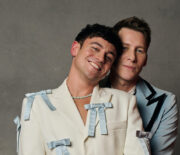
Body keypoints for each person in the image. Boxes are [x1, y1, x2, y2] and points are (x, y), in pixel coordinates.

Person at [14, 24, 150, 155]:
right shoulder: (36, 105)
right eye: (95, 48)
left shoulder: (125, 103)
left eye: (108, 57)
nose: (101, 58)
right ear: (75, 48)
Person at [100, 17, 178, 155]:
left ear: (146, 59)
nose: (132, 57)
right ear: (112, 52)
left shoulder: (165, 103)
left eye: (140, 50)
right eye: (124, 48)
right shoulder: (90, 89)